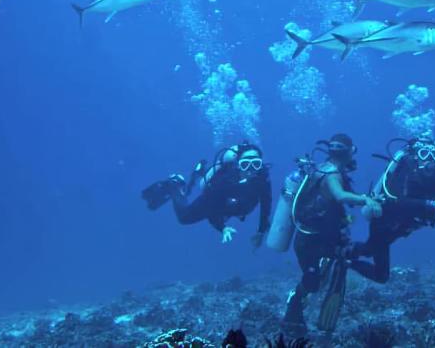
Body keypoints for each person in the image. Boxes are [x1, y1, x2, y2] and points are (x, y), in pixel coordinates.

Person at [282, 133, 382, 337]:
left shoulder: (325, 169)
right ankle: (295, 302)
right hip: (310, 240)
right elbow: (340, 196)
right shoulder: (332, 174)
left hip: (321, 237)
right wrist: (367, 200)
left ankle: (304, 303)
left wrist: (365, 199)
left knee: (327, 272)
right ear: (350, 152)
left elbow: (343, 201)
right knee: (312, 281)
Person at [348, 136, 435, 283]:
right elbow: (398, 203)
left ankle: (343, 253)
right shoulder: (407, 172)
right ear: (417, 156)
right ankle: (342, 258)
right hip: (384, 223)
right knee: (379, 272)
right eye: (424, 153)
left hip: (403, 227)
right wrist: (434, 204)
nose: (430, 159)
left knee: (369, 249)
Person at [142, 143, 272, 247]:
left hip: (234, 206)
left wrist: (261, 232)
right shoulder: (226, 181)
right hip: (213, 200)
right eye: (245, 164)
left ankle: (200, 172)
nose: (250, 169)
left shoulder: (263, 182)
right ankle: (175, 184)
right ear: (238, 165)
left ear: (261, 165)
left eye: (255, 164)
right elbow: (212, 207)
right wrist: (222, 228)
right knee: (184, 218)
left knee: (236, 207)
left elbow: (266, 207)